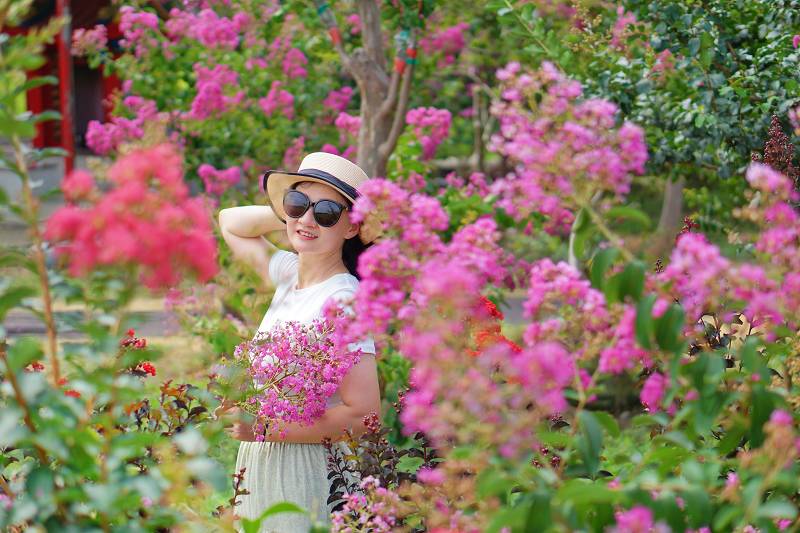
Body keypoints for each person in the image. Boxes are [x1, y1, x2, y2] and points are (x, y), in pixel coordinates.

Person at [217, 152, 381, 532]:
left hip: (304, 472)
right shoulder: (290, 274)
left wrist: (263, 427)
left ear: (352, 228)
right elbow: (231, 222)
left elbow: (363, 415)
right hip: (262, 466)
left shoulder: (343, 301)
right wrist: (291, 215)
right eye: (297, 203)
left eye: (326, 213)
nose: (307, 220)